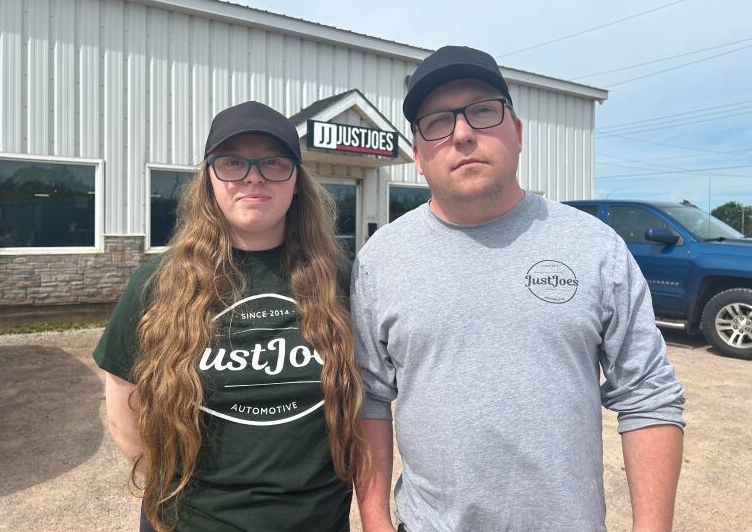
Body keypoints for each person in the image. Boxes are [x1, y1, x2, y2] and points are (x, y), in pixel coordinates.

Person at [352, 46, 685, 532]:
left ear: (518, 132)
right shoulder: (380, 261)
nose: (463, 133)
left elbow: (648, 395)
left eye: (483, 111)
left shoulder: (594, 248)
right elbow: (368, 397)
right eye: (438, 122)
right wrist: (376, 522)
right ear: (418, 156)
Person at [94, 101, 367, 532]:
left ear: (297, 181)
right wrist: (169, 483)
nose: (253, 176)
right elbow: (122, 401)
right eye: (232, 162)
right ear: (209, 180)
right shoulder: (158, 283)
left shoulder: (342, 280)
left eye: (274, 163)